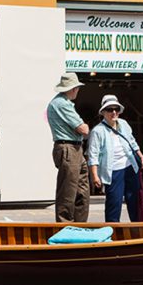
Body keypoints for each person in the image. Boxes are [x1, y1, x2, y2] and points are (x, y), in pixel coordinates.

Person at [88, 95, 143, 222]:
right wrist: (95, 175)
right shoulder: (97, 131)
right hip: (113, 170)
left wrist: (140, 154)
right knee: (114, 203)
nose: (114, 112)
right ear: (103, 112)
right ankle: (112, 232)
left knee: (135, 202)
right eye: (109, 109)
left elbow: (132, 141)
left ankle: (138, 231)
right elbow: (93, 155)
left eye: (116, 109)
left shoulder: (123, 123)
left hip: (131, 167)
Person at [47, 73, 90, 222]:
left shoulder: (60, 102)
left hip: (72, 148)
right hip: (69, 148)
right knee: (69, 193)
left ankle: (76, 227)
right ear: (73, 89)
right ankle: (67, 227)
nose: (78, 91)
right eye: (77, 88)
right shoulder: (62, 104)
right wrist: (84, 126)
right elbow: (84, 129)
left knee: (79, 191)